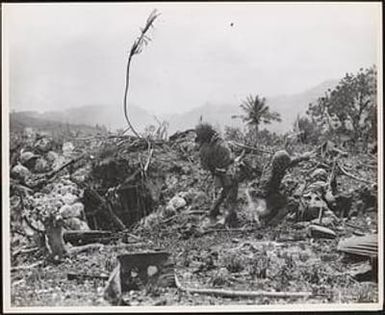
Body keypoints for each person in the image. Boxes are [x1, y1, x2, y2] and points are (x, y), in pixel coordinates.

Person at [252, 149, 314, 225]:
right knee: (290, 203)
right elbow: (261, 193)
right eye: (284, 165)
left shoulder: (277, 165)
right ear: (280, 165)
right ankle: (272, 222)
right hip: (265, 197)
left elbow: (291, 162)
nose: (286, 167)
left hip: (272, 191)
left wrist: (303, 157)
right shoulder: (269, 177)